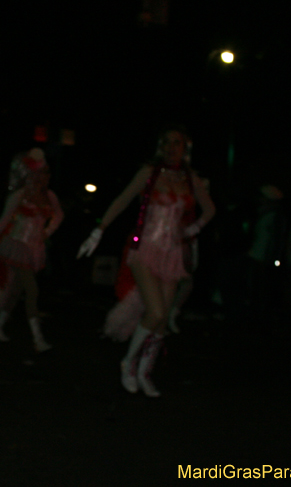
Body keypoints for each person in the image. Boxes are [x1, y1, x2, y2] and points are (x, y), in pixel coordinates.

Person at [79, 127, 215, 397]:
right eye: (166, 142)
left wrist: (192, 229)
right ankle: (128, 363)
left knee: (163, 320)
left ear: (184, 148)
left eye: (176, 143)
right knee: (156, 312)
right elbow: (122, 200)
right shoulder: (149, 173)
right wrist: (98, 230)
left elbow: (210, 209)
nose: (171, 147)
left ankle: (144, 371)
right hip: (145, 249)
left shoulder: (190, 179)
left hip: (172, 253)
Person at [0, 148, 63, 352]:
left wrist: (47, 232)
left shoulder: (50, 196)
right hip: (16, 246)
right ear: (30, 175)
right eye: (39, 173)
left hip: (33, 248)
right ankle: (38, 339)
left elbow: (59, 216)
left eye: (46, 174)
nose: (43, 178)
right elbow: (1, 223)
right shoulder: (20, 195)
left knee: (16, 291)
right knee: (32, 290)